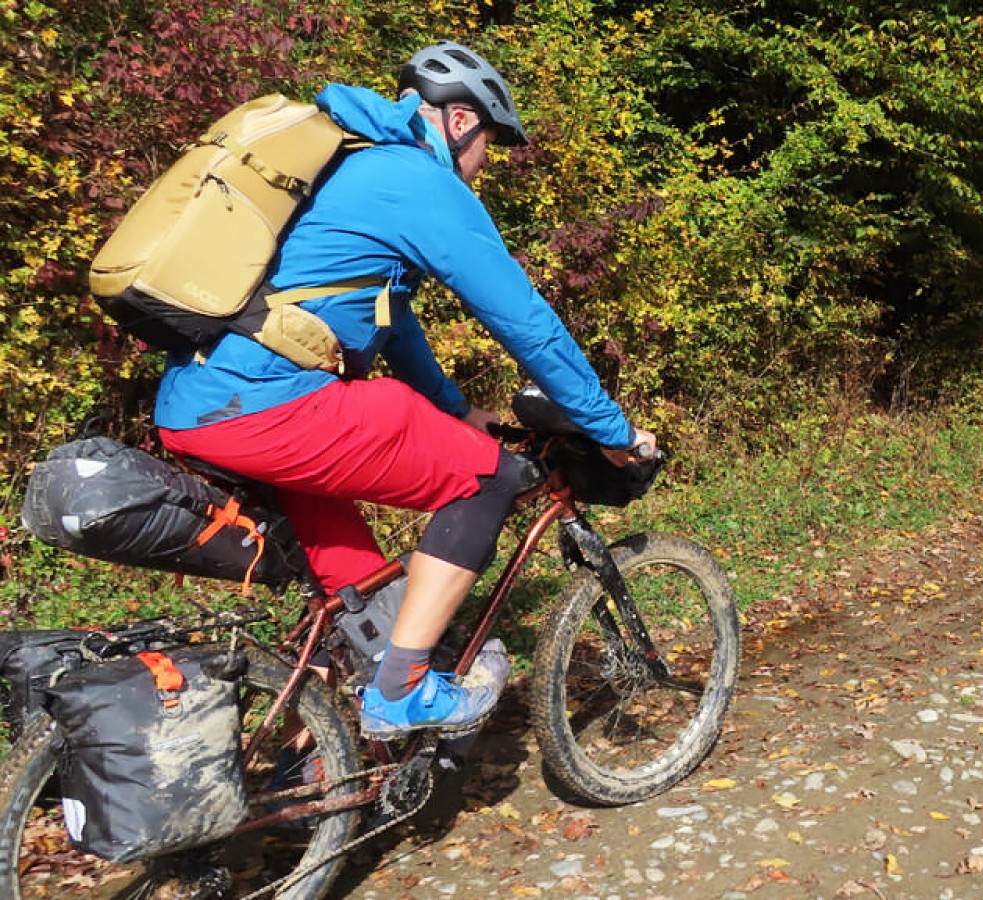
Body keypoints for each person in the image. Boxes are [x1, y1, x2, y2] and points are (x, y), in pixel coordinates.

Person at [154, 41, 656, 739]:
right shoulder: (415, 180)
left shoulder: (352, 169)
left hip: (200, 404)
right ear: (458, 121)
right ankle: (401, 691)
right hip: (269, 403)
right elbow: (527, 324)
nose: (485, 165)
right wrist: (610, 428)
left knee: (361, 596)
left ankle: (318, 751)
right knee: (489, 478)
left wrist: (456, 409)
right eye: (489, 144)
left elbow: (392, 322)